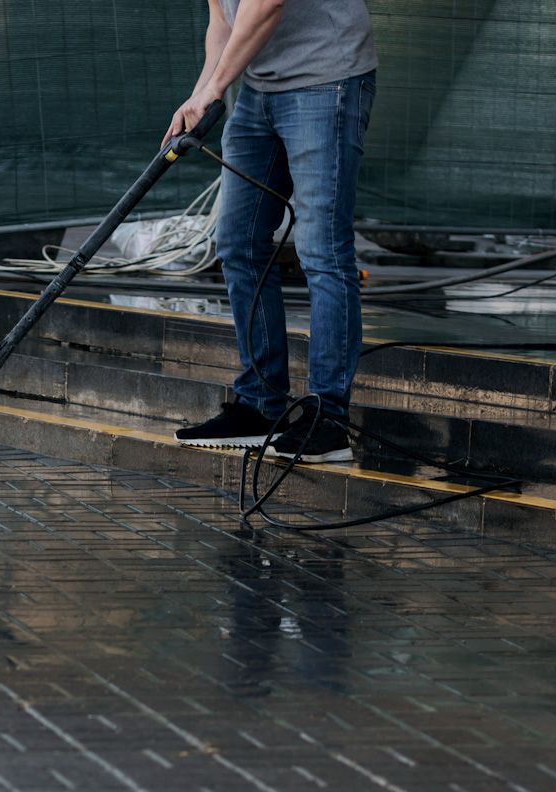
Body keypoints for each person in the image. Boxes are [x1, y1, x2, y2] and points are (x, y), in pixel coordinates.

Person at [167, 0, 377, 464]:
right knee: (238, 244)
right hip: (258, 92)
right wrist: (201, 97)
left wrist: (215, 88)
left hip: (328, 82)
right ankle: (260, 406)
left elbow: (266, 5)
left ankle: (329, 419)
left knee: (322, 251)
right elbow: (222, 19)